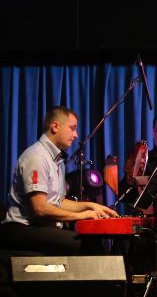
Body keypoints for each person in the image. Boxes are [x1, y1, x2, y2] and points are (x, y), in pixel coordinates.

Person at [0, 106, 118, 254]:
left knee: (94, 242)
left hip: (39, 228)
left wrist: (91, 206)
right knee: (88, 246)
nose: (76, 135)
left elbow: (59, 202)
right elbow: (40, 208)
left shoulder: (57, 160)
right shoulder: (37, 157)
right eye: (72, 128)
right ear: (55, 126)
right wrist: (81, 215)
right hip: (22, 229)